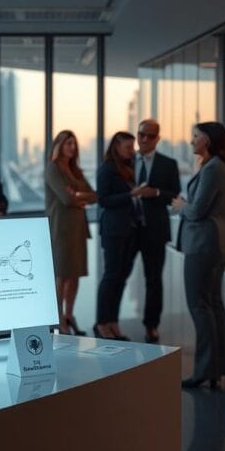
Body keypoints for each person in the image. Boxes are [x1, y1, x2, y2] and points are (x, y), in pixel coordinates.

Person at [173, 122, 225, 389]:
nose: (191, 141)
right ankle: (219, 368)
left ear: (207, 140)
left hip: (204, 244)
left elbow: (197, 210)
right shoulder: (215, 167)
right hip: (215, 242)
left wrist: (180, 206)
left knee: (200, 305)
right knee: (212, 304)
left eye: (196, 136)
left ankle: (204, 369)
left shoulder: (213, 169)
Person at [131, 119, 181, 343]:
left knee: (153, 279)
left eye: (150, 136)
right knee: (117, 277)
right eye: (141, 134)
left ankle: (152, 325)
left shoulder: (168, 164)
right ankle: (107, 322)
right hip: (128, 229)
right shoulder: (125, 160)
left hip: (155, 229)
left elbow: (175, 195)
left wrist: (157, 192)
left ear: (158, 138)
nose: (144, 139)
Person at [45, 130, 98, 335]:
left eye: (74, 144)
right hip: (60, 227)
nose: (72, 147)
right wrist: (77, 197)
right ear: (59, 145)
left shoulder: (75, 170)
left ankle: (69, 315)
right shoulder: (53, 168)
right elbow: (66, 199)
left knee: (74, 275)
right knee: (61, 275)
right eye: (68, 143)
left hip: (77, 227)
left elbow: (94, 196)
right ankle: (58, 319)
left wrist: (77, 195)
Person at [95, 131, 141, 340]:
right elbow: (103, 200)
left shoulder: (129, 168)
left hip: (130, 230)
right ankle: (102, 322)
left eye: (133, 147)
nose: (132, 151)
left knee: (121, 277)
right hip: (114, 230)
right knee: (111, 276)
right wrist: (130, 195)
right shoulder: (107, 169)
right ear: (116, 147)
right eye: (128, 148)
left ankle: (113, 322)